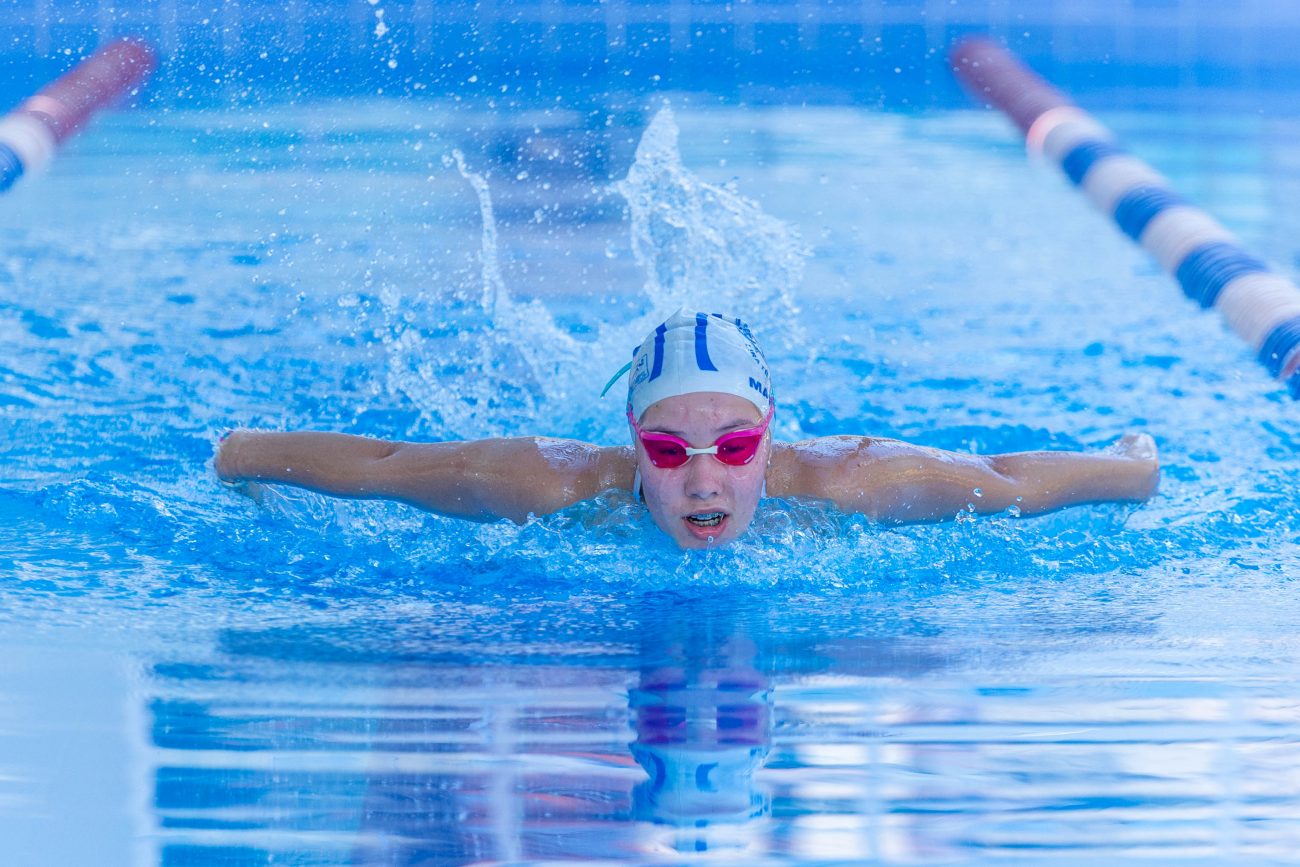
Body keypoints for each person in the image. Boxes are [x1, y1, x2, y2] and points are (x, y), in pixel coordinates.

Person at [214, 310, 1160, 549]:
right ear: (631, 442)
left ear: (771, 437)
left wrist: (1132, 467)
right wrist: (242, 453)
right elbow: (386, 465)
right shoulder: (546, 482)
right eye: (667, 452)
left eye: (736, 449)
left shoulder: (854, 480)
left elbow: (1006, 478)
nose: (705, 482)